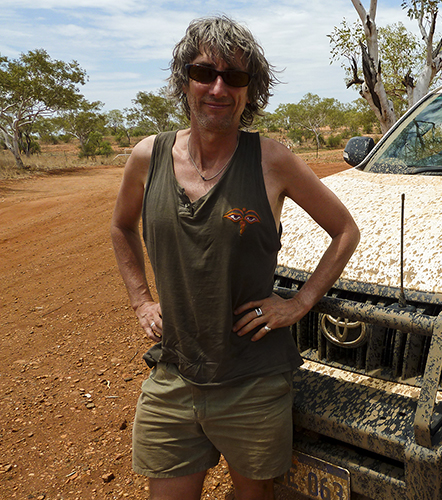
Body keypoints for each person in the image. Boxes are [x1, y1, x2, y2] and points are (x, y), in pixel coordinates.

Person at [110, 15, 360, 500]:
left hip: (253, 381)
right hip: (174, 373)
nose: (218, 87)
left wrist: (300, 302)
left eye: (235, 77)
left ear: (251, 90)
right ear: (184, 79)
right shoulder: (148, 157)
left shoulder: (272, 160)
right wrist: (141, 300)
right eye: (205, 72)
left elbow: (345, 230)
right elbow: (120, 226)